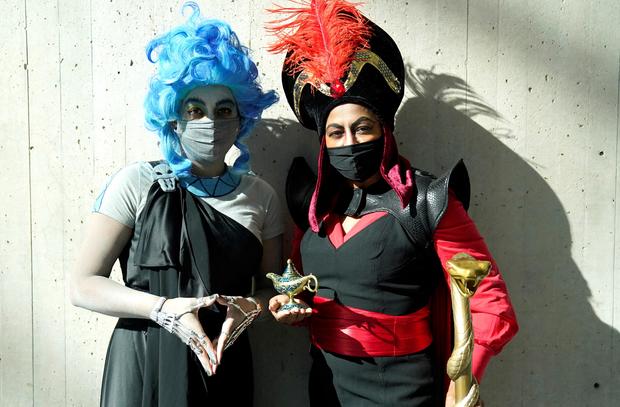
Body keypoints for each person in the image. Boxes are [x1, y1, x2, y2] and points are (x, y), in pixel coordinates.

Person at [266, 1, 518, 406]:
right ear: (323, 142)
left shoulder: (426, 202)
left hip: (402, 392)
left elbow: (491, 303)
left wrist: (464, 378)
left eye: (362, 127)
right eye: (336, 133)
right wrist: (289, 306)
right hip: (325, 384)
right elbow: (306, 288)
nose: (349, 142)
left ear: (385, 131)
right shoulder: (312, 207)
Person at [70, 3, 282, 406]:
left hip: (223, 363)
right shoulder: (137, 183)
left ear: (242, 118)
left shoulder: (261, 196)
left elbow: (272, 289)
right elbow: (83, 285)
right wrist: (164, 309)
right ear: (173, 118)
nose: (210, 121)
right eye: (194, 109)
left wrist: (250, 308)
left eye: (223, 110)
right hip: (144, 362)